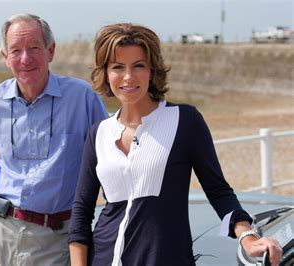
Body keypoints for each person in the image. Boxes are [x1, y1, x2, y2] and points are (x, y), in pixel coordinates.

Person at [68, 23, 283, 266]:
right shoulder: (99, 133)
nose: (128, 76)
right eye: (118, 67)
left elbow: (218, 191)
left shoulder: (185, 120)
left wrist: (248, 237)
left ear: (152, 70)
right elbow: (81, 213)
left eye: (138, 65)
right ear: (106, 73)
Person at [0, 13, 108, 265]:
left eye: (34, 47)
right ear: (5, 57)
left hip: (58, 239)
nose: (25, 58)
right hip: (0, 233)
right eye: (16, 50)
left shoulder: (82, 98)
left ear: (51, 51)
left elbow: (109, 151)